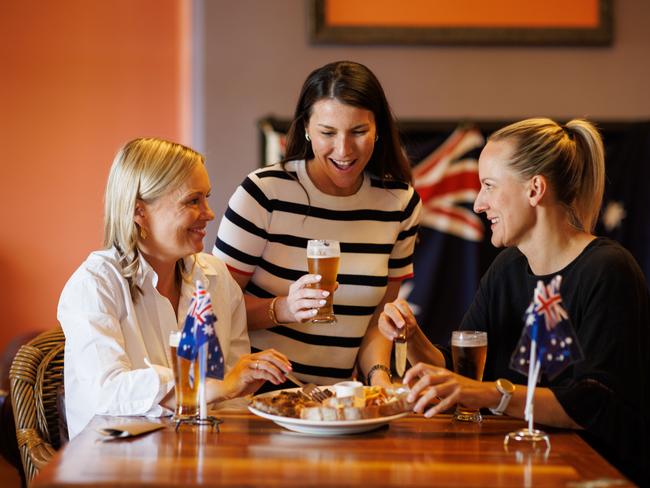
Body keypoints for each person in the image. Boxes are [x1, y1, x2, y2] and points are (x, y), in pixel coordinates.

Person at [378, 118, 650, 485]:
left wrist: (491, 394)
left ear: (535, 189)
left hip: (592, 475)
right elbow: (463, 374)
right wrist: (411, 337)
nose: (478, 203)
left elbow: (593, 403)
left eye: (489, 186)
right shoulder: (507, 267)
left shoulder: (608, 269)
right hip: (521, 467)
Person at [58, 138, 291, 439]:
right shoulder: (95, 283)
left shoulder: (216, 277)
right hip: (113, 466)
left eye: (206, 198)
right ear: (139, 211)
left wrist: (244, 382)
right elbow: (106, 393)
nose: (209, 213)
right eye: (192, 201)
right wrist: (209, 387)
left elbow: (230, 399)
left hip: (198, 459)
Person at [214, 61, 421, 389]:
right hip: (251, 393)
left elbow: (375, 324)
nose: (343, 150)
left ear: (378, 129)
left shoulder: (399, 203)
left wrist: (379, 377)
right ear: (306, 129)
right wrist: (283, 308)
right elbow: (214, 309)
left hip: (334, 400)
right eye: (328, 133)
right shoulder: (264, 192)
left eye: (358, 132)